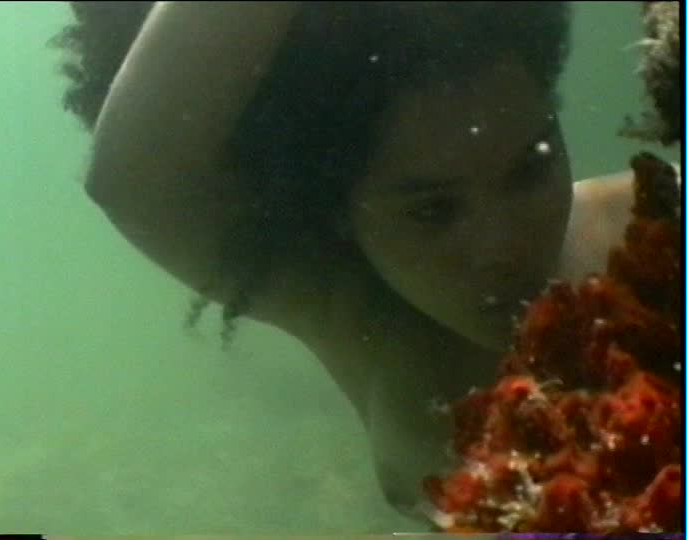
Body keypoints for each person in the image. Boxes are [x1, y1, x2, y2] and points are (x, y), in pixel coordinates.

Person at [49, 1, 658, 525]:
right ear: (336, 211)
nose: (502, 245)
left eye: (530, 167)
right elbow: (133, 178)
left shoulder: (658, 223)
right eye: (432, 211)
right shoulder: (363, 318)